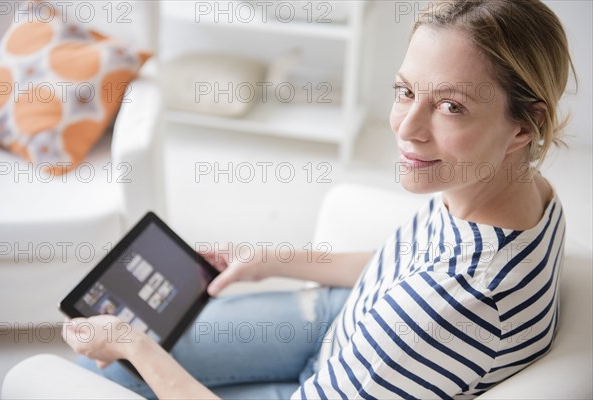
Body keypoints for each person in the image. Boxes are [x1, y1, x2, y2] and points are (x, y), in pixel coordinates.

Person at [64, 0, 575, 398]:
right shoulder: (513, 190)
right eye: (404, 91)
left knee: (106, 365)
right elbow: (408, 266)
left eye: (451, 106)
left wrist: (138, 347)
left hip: (335, 376)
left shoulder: (454, 305)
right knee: (112, 356)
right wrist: (276, 260)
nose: (407, 128)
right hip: (349, 322)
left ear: (523, 126)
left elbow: (426, 303)